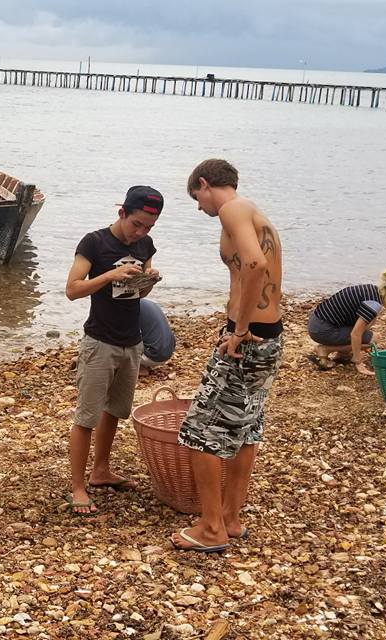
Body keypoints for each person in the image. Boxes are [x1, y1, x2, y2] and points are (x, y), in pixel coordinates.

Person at [174, 159, 284, 553]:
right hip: (268, 337)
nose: (199, 208)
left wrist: (238, 331)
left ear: (205, 184)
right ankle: (231, 519)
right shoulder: (255, 212)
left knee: (198, 433)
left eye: (196, 198)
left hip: (248, 339)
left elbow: (255, 264)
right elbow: (253, 266)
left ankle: (211, 528)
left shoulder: (233, 209)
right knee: (245, 428)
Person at [64, 185, 164, 515]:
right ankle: (78, 487)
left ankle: (101, 470)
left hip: (131, 341)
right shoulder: (94, 242)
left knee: (115, 411)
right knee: (87, 416)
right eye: (136, 224)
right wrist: (110, 274)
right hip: (100, 341)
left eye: (148, 227)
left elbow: (139, 296)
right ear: (122, 212)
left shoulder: (145, 244)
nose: (141, 233)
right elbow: (72, 290)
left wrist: (148, 281)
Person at [307, 269, 386, 374]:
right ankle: (325, 349)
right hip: (322, 330)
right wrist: (358, 361)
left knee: (369, 325)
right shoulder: (373, 304)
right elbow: (355, 334)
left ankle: (342, 353)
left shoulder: (371, 290)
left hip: (317, 321)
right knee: (373, 339)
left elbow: (363, 324)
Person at [136, 298, 177, 376]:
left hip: (153, 356)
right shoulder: (150, 303)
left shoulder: (131, 307)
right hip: (168, 353)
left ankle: (137, 368)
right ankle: (141, 364)